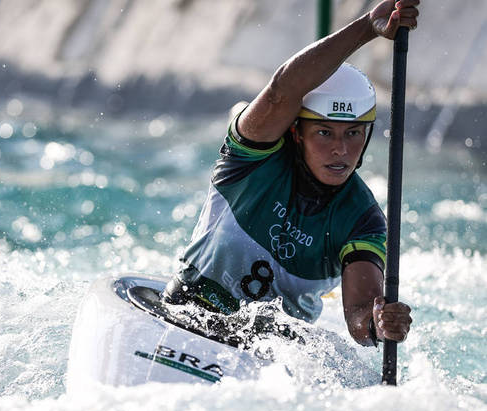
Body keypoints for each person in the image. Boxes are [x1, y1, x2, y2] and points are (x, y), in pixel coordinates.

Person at [163, 0, 417, 347]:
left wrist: (377, 322)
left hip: (272, 357)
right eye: (325, 132)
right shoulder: (252, 157)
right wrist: (367, 27)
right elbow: (284, 89)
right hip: (186, 315)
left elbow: (359, 314)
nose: (341, 150)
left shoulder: (363, 219)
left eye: (353, 133)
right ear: (297, 132)